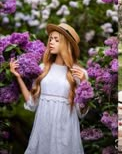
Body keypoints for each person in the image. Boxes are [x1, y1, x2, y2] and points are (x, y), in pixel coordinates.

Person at [10, 23, 88, 154]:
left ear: (66, 44)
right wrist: (18, 78)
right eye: (50, 39)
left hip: (65, 127)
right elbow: (32, 103)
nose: (51, 42)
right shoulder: (43, 69)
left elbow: (81, 112)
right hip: (43, 127)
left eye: (57, 40)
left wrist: (84, 83)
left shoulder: (79, 73)